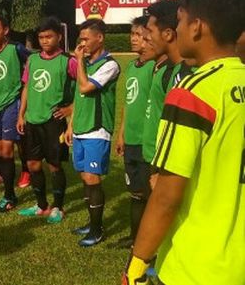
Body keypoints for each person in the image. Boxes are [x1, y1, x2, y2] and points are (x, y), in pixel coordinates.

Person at [123, 0, 245, 285]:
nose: (175, 29)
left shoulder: (193, 92)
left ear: (197, 26)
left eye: (180, 21)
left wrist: (135, 267)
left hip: (194, 267)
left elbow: (166, 195)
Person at [63, 19, 120, 246]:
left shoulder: (110, 64)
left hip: (97, 129)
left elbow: (86, 87)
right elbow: (79, 96)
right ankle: (91, 222)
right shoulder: (86, 63)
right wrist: (70, 125)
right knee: (83, 176)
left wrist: (78, 61)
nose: (82, 43)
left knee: (92, 177)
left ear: (100, 38)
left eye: (86, 39)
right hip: (80, 128)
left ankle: (97, 229)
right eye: (81, 39)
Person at [16, 17, 76, 224]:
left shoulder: (69, 61)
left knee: (54, 165)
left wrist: (71, 108)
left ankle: (58, 206)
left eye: (48, 36)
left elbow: (84, 88)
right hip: (32, 120)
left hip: (54, 121)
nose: (44, 41)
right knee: (33, 164)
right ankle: (41, 205)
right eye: (41, 37)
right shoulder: (32, 60)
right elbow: (26, 87)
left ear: (59, 36)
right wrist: (21, 115)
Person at [142, 0, 193, 188]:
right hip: (155, 159)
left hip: (169, 168)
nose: (146, 38)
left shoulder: (188, 74)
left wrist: (165, 172)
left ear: (168, 34)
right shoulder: (163, 70)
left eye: (150, 31)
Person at [114, 16, 156, 247]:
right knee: (135, 192)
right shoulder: (132, 66)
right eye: (132, 34)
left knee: (150, 193)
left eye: (139, 35)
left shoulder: (154, 67)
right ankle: (134, 237)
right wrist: (121, 133)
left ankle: (150, 242)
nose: (133, 39)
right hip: (130, 138)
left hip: (146, 140)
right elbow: (128, 103)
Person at [0, 16, 29, 212]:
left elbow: (35, 62)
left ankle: (9, 196)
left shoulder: (16, 50)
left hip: (12, 104)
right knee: (0, 150)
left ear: (6, 30)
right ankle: (9, 192)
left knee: (8, 149)